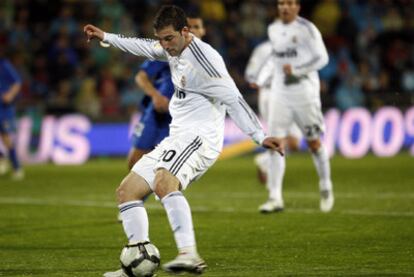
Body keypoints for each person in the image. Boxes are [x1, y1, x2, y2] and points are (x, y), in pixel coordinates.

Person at [84, 5, 283, 276]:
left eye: (169, 39)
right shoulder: (171, 48)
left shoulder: (205, 62)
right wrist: (106, 36)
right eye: (161, 39)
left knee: (165, 181)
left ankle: (189, 254)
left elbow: (234, 100)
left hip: (200, 138)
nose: (164, 46)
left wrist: (259, 135)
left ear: (185, 32)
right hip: (176, 137)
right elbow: (142, 46)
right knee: (127, 191)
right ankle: (137, 260)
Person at [257, 0, 334, 213]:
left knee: (314, 143)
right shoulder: (273, 28)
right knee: (275, 143)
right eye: (281, 3)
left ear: (298, 7)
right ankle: (275, 197)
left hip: (304, 93)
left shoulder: (307, 29)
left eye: (290, 3)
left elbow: (322, 58)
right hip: (280, 94)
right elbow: (275, 59)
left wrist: (298, 69)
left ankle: (325, 186)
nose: (285, 7)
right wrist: (262, 77)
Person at [127, 14, 206, 170]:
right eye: (189, 27)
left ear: (204, 30)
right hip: (157, 112)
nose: (193, 31)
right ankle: (134, 194)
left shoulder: (208, 57)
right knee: (135, 160)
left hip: (181, 118)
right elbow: (141, 77)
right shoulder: (169, 50)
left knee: (169, 166)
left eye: (197, 27)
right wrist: (156, 96)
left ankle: (166, 193)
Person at [245, 40, 302, 184]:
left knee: (294, 143)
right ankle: (268, 166)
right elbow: (250, 75)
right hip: (271, 95)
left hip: (290, 94)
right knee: (290, 139)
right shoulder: (264, 49)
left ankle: (265, 161)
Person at [0, 56, 23, 180]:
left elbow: (17, 81)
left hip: (3, 108)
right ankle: (2, 158)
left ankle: (16, 167)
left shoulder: (3, 64)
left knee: (6, 137)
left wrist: (10, 94)